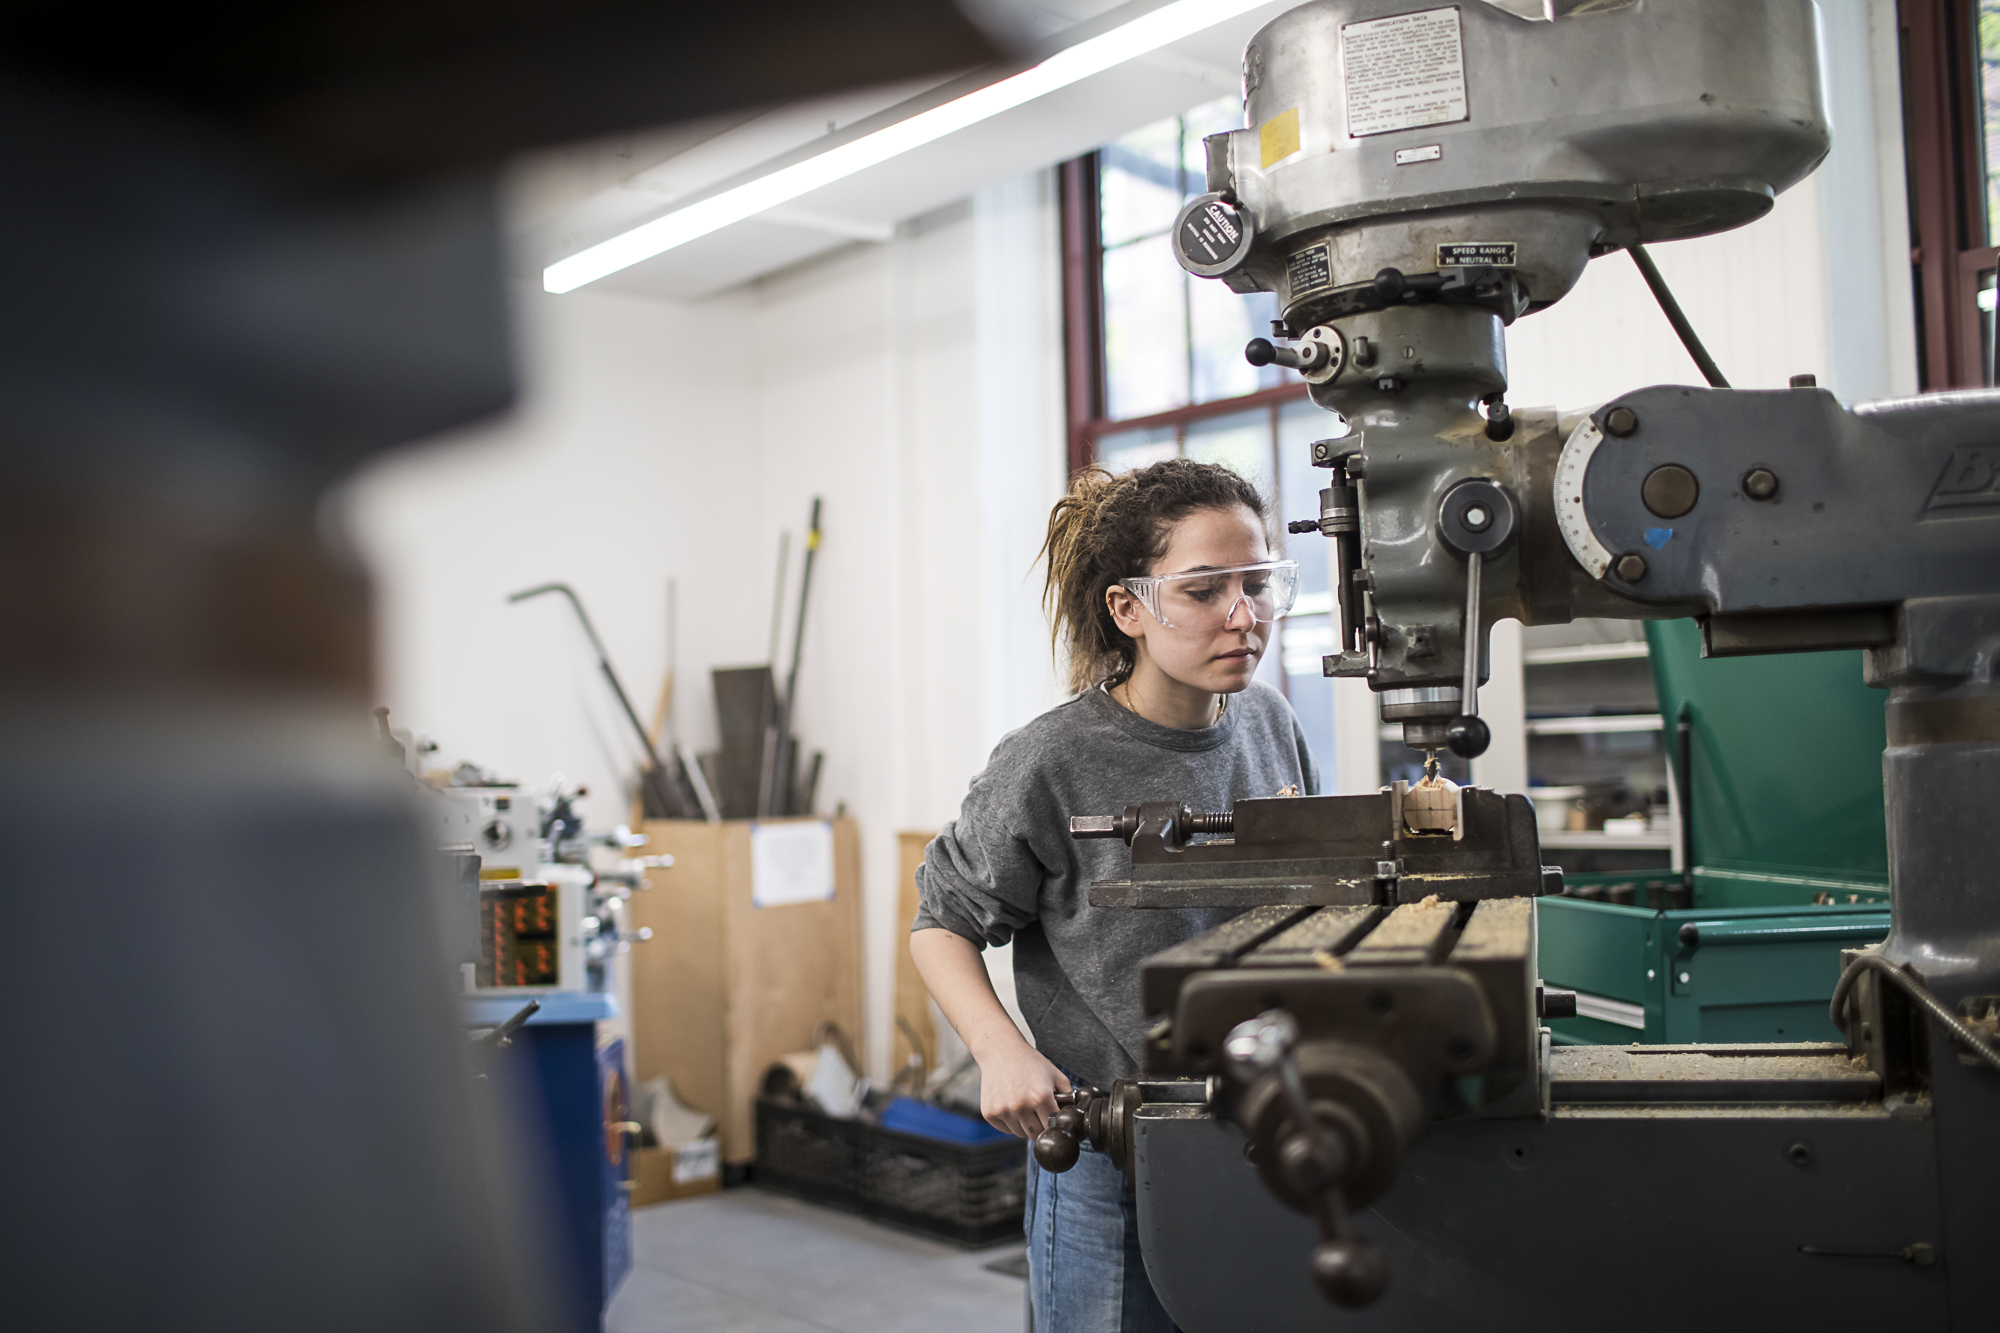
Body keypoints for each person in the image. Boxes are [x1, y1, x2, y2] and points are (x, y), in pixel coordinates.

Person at [910, 458, 1320, 1332]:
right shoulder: (1050, 762)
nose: (1245, 615)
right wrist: (1002, 1052)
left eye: (1259, 583)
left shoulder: (1273, 723)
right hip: (1111, 1149)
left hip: (1262, 1124)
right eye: (1206, 589)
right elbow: (939, 923)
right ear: (1127, 608)